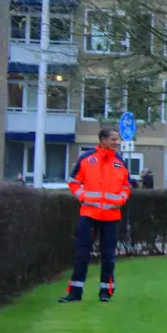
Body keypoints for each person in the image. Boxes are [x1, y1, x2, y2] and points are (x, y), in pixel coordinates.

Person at [59, 128, 131, 303]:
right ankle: (75, 292)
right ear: (103, 139)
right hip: (89, 214)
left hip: (111, 216)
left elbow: (126, 186)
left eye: (117, 139)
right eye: (113, 139)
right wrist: (82, 196)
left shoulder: (120, 162)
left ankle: (105, 292)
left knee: (108, 256)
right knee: (81, 254)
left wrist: (121, 199)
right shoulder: (86, 159)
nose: (117, 142)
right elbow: (73, 182)